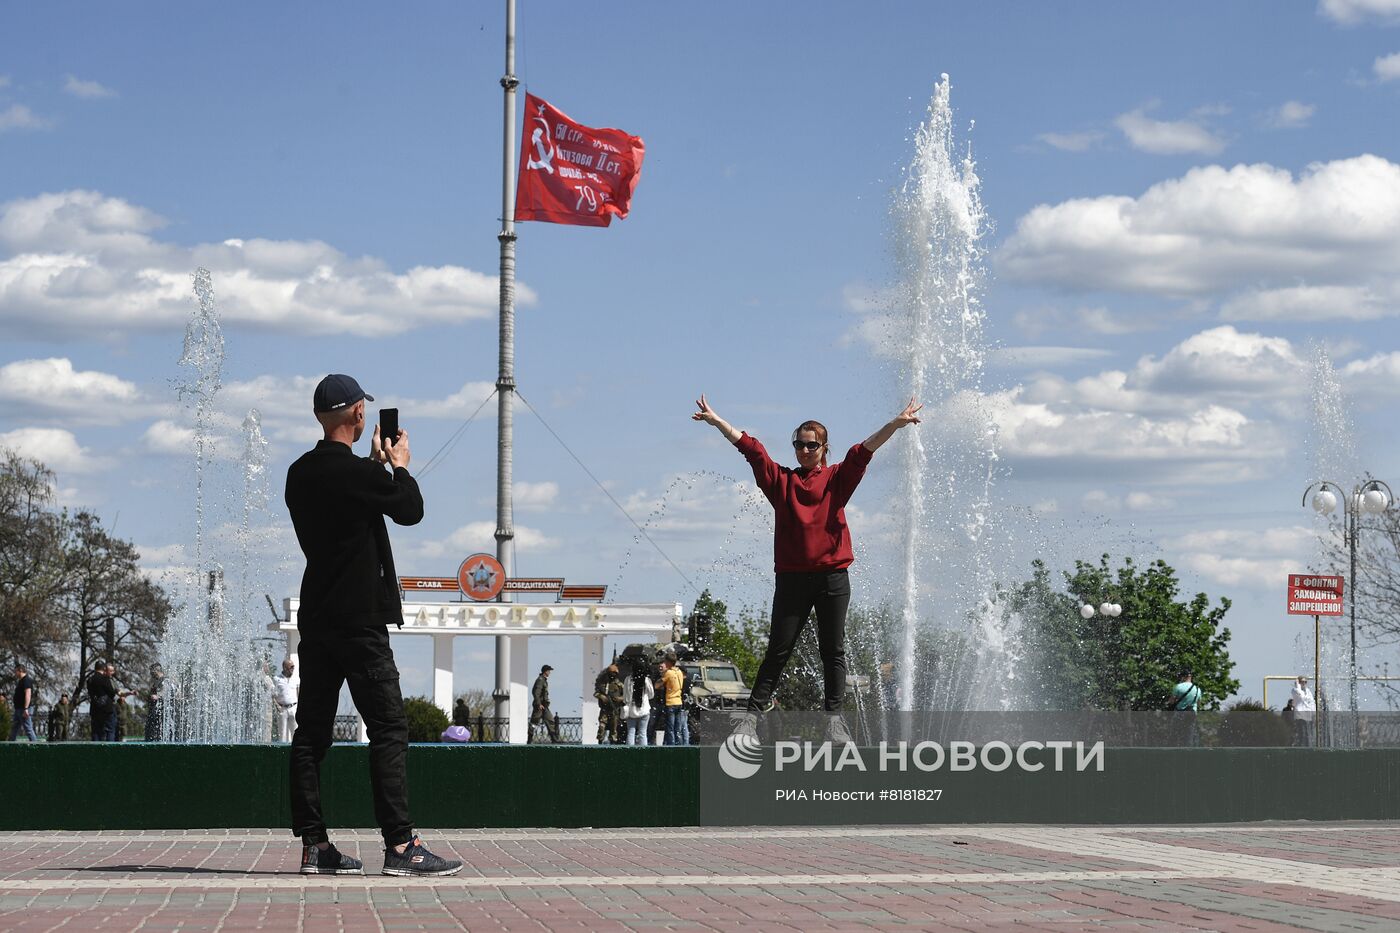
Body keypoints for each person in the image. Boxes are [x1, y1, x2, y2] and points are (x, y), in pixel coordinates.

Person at [284, 373, 461, 877]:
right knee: (388, 727)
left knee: (311, 733)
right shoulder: (364, 477)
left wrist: (376, 469)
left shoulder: (300, 473)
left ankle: (315, 847)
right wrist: (399, 467)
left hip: (316, 616)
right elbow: (410, 509)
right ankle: (402, 846)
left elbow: (343, 494)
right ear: (360, 416)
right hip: (360, 620)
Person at [693, 394, 922, 741]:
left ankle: (834, 721)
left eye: (810, 446)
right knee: (778, 649)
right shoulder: (780, 482)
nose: (803, 450)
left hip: (832, 578)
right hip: (792, 580)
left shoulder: (836, 480)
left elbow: (863, 452)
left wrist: (895, 423)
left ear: (824, 448)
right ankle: (751, 718)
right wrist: (717, 421)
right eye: (798, 445)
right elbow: (752, 450)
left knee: (833, 649)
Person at [85, 659, 118, 741]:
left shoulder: (90, 680)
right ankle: (110, 751)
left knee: (96, 732)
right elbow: (112, 692)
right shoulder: (104, 679)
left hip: (95, 708)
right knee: (110, 731)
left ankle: (96, 751)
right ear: (103, 668)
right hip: (107, 709)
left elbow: (91, 693)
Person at [623, 662, 654, 746]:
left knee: (631, 732)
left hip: (631, 711)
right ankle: (643, 754)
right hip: (644, 710)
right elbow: (651, 695)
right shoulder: (646, 680)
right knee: (643, 733)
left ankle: (629, 754)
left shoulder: (628, 679)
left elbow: (625, 697)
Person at [269, 658, 300, 743]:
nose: (293, 669)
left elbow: (299, 693)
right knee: (282, 734)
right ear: (285, 668)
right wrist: (277, 706)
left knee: (296, 733)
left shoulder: (295, 679)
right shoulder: (276, 679)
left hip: (294, 708)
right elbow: (272, 695)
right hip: (282, 709)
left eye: (293, 667)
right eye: (291, 667)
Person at [659, 653, 686, 745]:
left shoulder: (669, 673)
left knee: (670, 728)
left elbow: (657, 685)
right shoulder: (679, 672)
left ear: (668, 662)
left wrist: (662, 673)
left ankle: (671, 748)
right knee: (677, 729)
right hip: (679, 702)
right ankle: (680, 747)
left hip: (670, 702)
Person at [1168, 670, 1202, 747]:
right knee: (1189, 732)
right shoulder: (1197, 689)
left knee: (1175, 731)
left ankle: (1174, 749)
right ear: (1190, 677)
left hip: (1180, 713)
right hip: (1192, 713)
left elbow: (1171, 701)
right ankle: (1188, 750)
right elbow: (1199, 703)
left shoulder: (1178, 687)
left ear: (1183, 677)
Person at [595, 664, 626, 744]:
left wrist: (619, 699)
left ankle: (613, 743)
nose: (612, 675)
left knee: (614, 729)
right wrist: (602, 696)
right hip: (604, 710)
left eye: (614, 673)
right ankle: (600, 741)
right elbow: (596, 693)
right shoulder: (604, 685)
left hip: (614, 710)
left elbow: (626, 696)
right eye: (611, 673)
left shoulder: (620, 685)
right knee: (602, 727)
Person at [529, 664, 560, 743]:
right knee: (534, 722)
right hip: (539, 706)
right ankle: (529, 740)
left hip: (544, 706)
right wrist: (539, 704)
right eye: (549, 671)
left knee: (550, 721)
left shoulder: (544, 680)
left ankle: (555, 740)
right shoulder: (540, 680)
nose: (550, 672)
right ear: (545, 671)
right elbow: (536, 693)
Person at [10, 664, 36, 742]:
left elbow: (28, 694)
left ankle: (36, 746)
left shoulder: (26, 680)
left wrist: (26, 708)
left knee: (28, 728)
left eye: (16, 671)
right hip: (18, 709)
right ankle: (11, 745)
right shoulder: (21, 681)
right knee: (14, 728)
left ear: (20, 670)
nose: (15, 673)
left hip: (23, 709)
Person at [1290, 675, 1316, 747]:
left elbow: (1312, 702)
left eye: (1305, 682)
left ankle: (1308, 747)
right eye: (1302, 682)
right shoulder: (1294, 690)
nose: (1304, 683)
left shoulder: (1308, 691)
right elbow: (1301, 696)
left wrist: (1314, 713)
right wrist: (1297, 685)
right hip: (1300, 715)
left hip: (1308, 715)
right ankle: (1300, 747)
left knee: (1308, 733)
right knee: (1301, 733)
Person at [145, 665, 167, 742]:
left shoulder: (165, 680)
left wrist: (158, 696)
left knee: (157, 726)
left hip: (162, 708)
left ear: (156, 671)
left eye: (152, 671)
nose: (151, 673)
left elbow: (168, 692)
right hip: (155, 707)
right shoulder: (156, 681)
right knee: (151, 726)